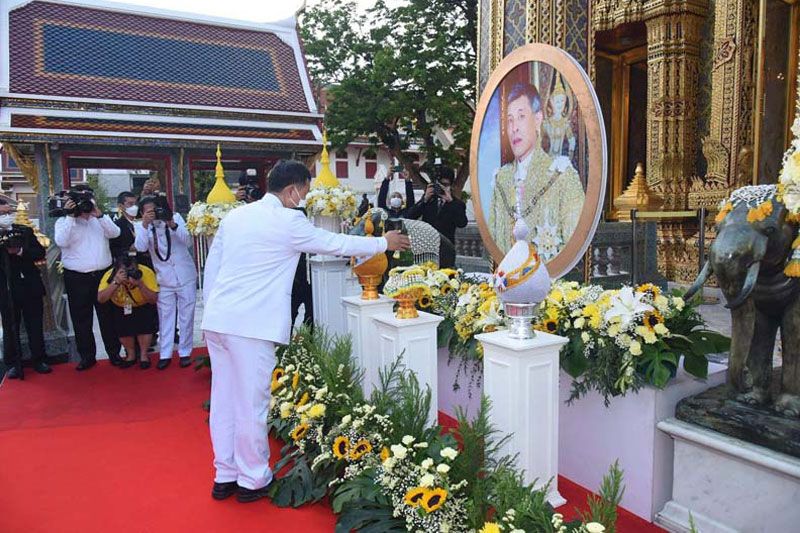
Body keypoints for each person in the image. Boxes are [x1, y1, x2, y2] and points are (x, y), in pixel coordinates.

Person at [202, 160, 410, 503]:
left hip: (219, 321)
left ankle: (225, 474)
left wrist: (213, 311)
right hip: (251, 326)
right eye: (305, 191)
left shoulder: (236, 216)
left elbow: (213, 268)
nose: (305, 198)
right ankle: (252, 479)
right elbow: (333, 243)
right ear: (292, 191)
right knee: (251, 404)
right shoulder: (288, 220)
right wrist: (382, 243)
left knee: (225, 400)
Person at [488, 82, 585, 259]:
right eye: (509, 120)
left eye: (521, 116)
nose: (514, 127)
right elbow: (493, 240)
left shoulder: (562, 175)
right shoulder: (501, 179)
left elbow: (575, 246)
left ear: (538, 119)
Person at [54, 185, 122, 371]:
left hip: (103, 275)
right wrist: (70, 215)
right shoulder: (63, 222)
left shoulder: (99, 220)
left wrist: (98, 214)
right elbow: (61, 241)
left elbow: (115, 233)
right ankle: (87, 356)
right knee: (81, 318)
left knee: (108, 316)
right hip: (77, 277)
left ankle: (114, 353)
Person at [135, 195, 197, 370]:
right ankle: (165, 353)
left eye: (154, 210)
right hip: (164, 279)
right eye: (148, 211)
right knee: (165, 318)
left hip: (185, 276)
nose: (153, 214)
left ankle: (184, 352)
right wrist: (145, 225)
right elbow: (140, 247)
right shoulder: (142, 227)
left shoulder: (175, 218)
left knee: (186, 316)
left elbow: (188, 241)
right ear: (142, 213)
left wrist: (171, 223)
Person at [0, 201, 51, 379]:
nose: (6, 215)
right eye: (2, 213)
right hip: (6, 288)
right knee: (10, 326)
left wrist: (20, 250)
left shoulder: (25, 231)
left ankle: (39, 359)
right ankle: (14, 363)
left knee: (35, 325)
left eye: (7, 212)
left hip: (30, 285)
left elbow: (40, 253)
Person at [97, 254, 159, 369]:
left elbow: (153, 299)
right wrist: (115, 282)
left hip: (142, 305)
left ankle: (144, 355)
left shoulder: (146, 272)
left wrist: (140, 284)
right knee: (123, 328)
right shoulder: (109, 275)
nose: (130, 273)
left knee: (145, 325)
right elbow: (101, 299)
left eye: (133, 269)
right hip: (121, 306)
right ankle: (131, 355)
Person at [405, 165, 467, 265]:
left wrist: (450, 202)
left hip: (446, 249)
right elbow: (409, 216)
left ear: (450, 186)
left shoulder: (457, 204)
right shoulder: (429, 200)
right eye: (440, 184)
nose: (442, 188)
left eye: (445, 185)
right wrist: (424, 200)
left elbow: (462, 223)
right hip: (426, 248)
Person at [110, 192, 152, 268]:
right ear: (121, 206)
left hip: (149, 263)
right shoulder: (116, 226)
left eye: (135, 204)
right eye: (130, 204)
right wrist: (131, 250)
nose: (134, 207)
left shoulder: (144, 222)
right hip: (130, 265)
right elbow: (114, 250)